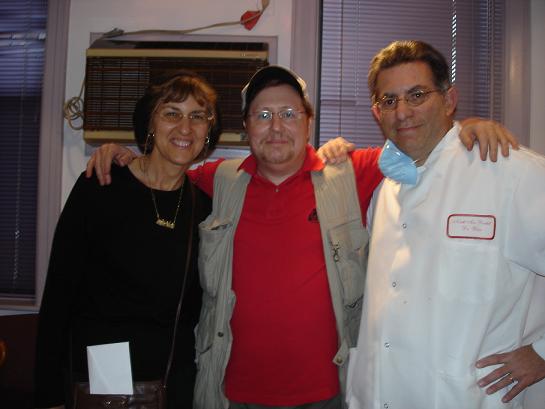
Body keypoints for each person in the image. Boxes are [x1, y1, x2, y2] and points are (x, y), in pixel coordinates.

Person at [85, 65, 518, 409]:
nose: (277, 127)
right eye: (264, 115)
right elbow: (161, 174)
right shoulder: (221, 180)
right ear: (247, 127)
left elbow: (417, 145)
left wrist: (465, 127)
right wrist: (124, 156)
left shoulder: (351, 172)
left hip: (328, 393)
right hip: (234, 393)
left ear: (309, 122)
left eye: (290, 114)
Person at [321, 40, 545, 409]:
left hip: (465, 397)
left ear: (449, 99)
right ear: (377, 113)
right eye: (389, 101)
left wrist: (540, 354)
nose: (403, 112)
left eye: (417, 94)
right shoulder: (384, 189)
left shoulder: (510, 172)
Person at [34, 70, 221, 409]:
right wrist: (47, 394)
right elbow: (59, 294)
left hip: (172, 386)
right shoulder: (101, 185)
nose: (185, 128)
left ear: (208, 132)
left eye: (197, 117)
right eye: (171, 114)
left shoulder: (205, 209)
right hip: (100, 383)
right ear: (150, 124)